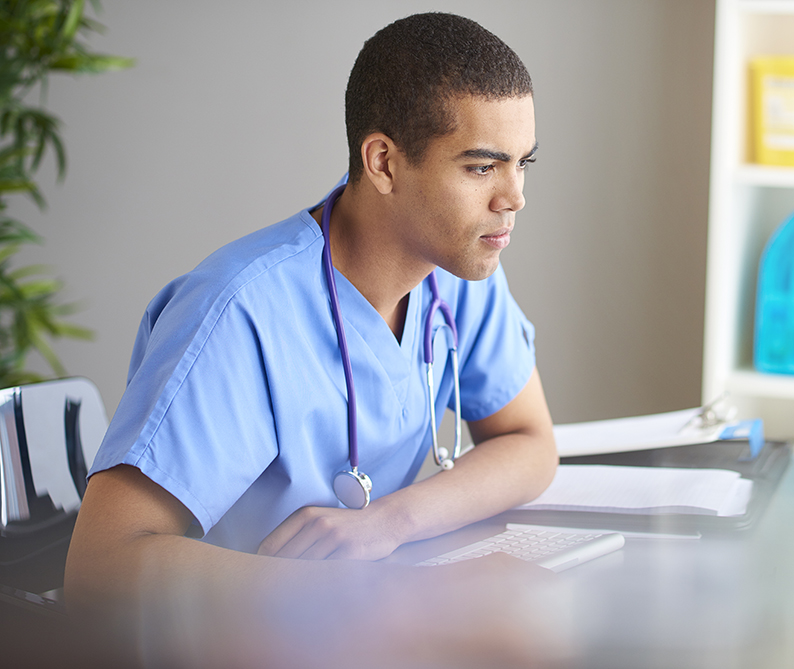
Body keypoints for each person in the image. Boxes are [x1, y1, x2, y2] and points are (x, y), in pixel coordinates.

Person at [64, 12, 561, 666]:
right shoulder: (239, 311)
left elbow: (531, 443)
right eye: (480, 168)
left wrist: (390, 522)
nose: (514, 197)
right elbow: (99, 567)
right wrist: (384, 593)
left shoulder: (459, 271)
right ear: (383, 162)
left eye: (522, 164)